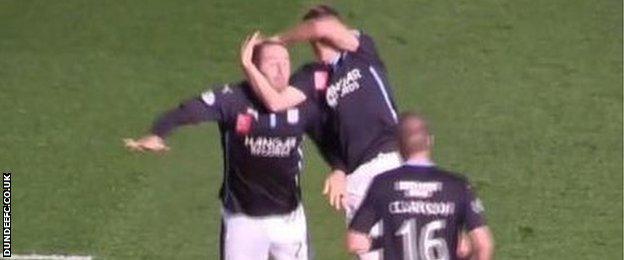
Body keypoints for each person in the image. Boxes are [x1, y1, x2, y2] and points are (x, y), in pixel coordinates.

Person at [124, 35, 342, 260]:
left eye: (286, 61)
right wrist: (158, 133)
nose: (281, 68)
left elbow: (327, 137)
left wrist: (339, 168)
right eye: (272, 62)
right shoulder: (233, 99)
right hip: (242, 222)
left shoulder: (301, 102)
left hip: (288, 221)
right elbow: (188, 110)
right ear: (254, 68)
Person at [244, 5, 402, 259]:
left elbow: (320, 27)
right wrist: (249, 67)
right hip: (355, 180)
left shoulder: (360, 51)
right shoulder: (312, 77)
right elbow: (275, 102)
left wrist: (276, 41)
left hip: (387, 160)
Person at [346, 112, 494, 260]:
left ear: (399, 146)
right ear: (430, 141)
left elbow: (355, 242)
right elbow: (484, 245)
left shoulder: (383, 184)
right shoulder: (458, 185)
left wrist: (388, 241)